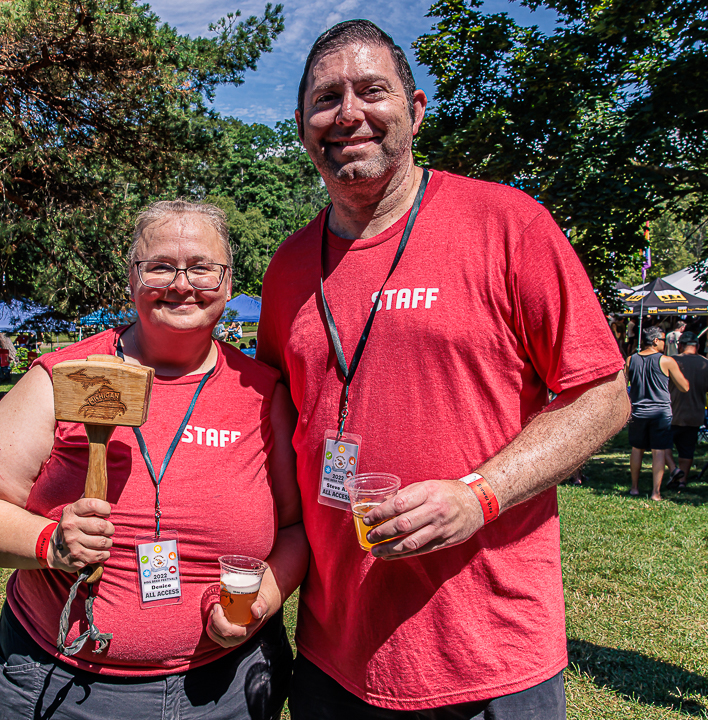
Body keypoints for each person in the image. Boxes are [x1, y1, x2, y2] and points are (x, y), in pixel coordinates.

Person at [254, 20, 630, 718]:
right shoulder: (286, 269)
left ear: (416, 111)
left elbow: (603, 395)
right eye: (326, 98)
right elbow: (270, 428)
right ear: (303, 125)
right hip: (336, 659)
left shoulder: (506, 222)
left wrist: (478, 495)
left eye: (372, 90)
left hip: (489, 656)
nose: (349, 114)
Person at [0, 200, 307, 720]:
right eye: (160, 266)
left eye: (202, 267)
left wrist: (262, 602)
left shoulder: (261, 390)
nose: (182, 284)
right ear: (131, 278)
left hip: (226, 688)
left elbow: (294, 529)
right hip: (65, 685)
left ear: (228, 284)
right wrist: (50, 543)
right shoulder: (65, 375)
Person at [626, 326, 689, 500]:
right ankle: (655, 492)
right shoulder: (666, 361)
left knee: (636, 449)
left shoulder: (631, 360)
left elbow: (623, 386)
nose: (665, 343)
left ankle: (634, 488)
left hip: (638, 411)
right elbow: (684, 387)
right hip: (660, 412)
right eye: (662, 339)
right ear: (655, 341)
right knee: (659, 451)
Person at [667, 330, 708, 488]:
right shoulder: (705, 364)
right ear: (697, 346)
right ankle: (682, 480)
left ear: (680, 345)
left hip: (672, 413)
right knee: (687, 449)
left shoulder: (670, 361)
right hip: (694, 413)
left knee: (663, 446)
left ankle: (674, 471)